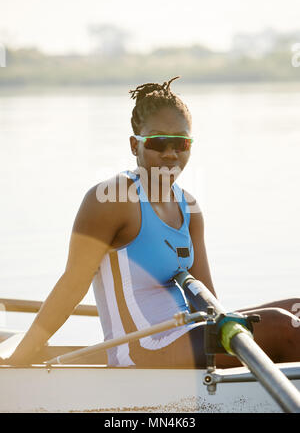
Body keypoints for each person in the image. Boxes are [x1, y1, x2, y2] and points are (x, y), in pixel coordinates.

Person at [1, 77, 299, 368]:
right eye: (159, 142)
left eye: (180, 143)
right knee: (285, 327)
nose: (171, 154)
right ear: (135, 145)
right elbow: (71, 285)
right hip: (141, 350)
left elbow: (207, 303)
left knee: (296, 308)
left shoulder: (190, 208)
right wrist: (21, 357)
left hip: (183, 334)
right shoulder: (111, 199)